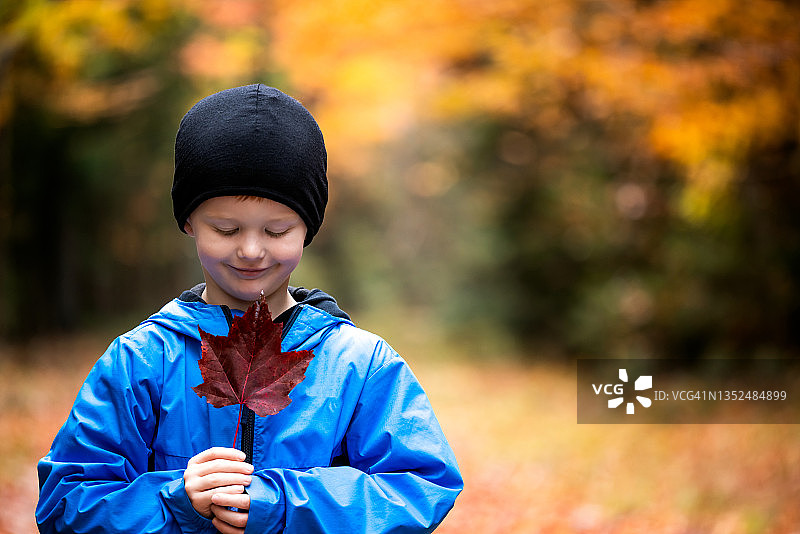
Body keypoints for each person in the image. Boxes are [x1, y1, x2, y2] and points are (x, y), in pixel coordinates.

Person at [36, 84, 463, 533]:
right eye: (226, 228)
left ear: (308, 228)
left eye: (277, 231)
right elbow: (66, 503)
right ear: (188, 222)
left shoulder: (360, 365)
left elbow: (420, 486)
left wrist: (282, 506)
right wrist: (175, 502)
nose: (252, 250)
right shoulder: (142, 360)